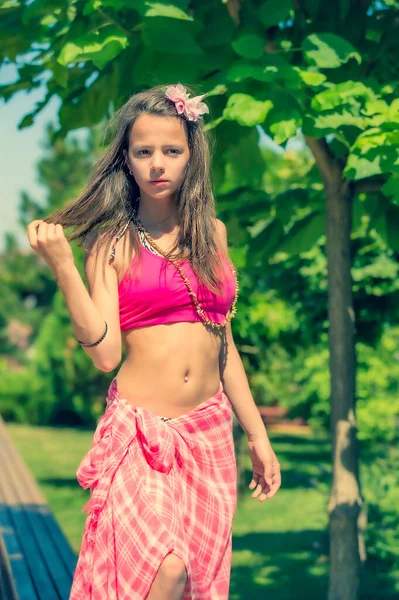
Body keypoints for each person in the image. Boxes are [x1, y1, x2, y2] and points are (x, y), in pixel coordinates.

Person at [26, 82, 281, 600]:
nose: (158, 164)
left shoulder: (213, 234)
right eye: (144, 152)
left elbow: (222, 342)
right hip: (141, 435)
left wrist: (256, 433)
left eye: (171, 150)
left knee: (195, 575)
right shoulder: (112, 242)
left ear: (192, 157)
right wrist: (63, 269)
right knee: (165, 566)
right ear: (127, 160)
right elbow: (104, 355)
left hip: (209, 433)